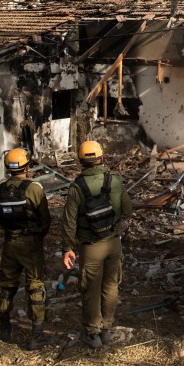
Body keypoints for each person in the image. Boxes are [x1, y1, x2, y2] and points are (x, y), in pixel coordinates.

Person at [61, 140, 132, 349]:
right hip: (113, 244)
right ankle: (106, 329)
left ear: (81, 161)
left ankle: (92, 334)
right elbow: (128, 210)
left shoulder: (77, 187)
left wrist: (67, 248)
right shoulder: (116, 181)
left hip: (90, 247)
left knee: (90, 289)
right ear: (101, 158)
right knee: (111, 285)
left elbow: (69, 221)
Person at [0, 147, 51, 350]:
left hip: (9, 243)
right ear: (26, 166)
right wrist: (37, 235)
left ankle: (5, 328)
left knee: (7, 285)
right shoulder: (33, 188)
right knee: (35, 286)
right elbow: (45, 219)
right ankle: (37, 334)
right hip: (30, 244)